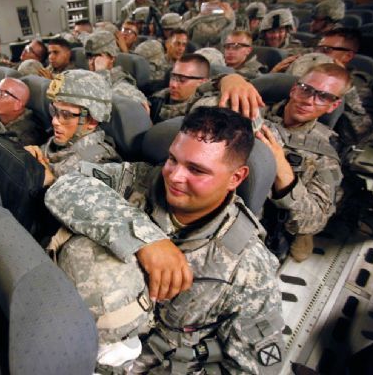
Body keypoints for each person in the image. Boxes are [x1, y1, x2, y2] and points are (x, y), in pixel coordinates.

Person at [44, 107, 284, 374]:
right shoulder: (140, 180)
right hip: (72, 336)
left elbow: (251, 370)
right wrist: (144, 238)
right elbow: (66, 186)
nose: (175, 176)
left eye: (196, 170)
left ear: (235, 178)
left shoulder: (249, 267)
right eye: (173, 159)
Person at [256, 64, 346, 262]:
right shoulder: (255, 111)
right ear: (294, 89)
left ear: (333, 105)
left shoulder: (325, 154)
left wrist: (282, 170)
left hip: (264, 228)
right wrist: (229, 81)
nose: (309, 101)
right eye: (306, 90)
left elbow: (313, 222)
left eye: (323, 97)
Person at [84, 30, 149, 113]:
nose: (91, 62)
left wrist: (101, 74)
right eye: (89, 57)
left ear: (111, 58)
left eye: (97, 56)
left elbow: (141, 116)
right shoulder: (86, 78)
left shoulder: (122, 86)